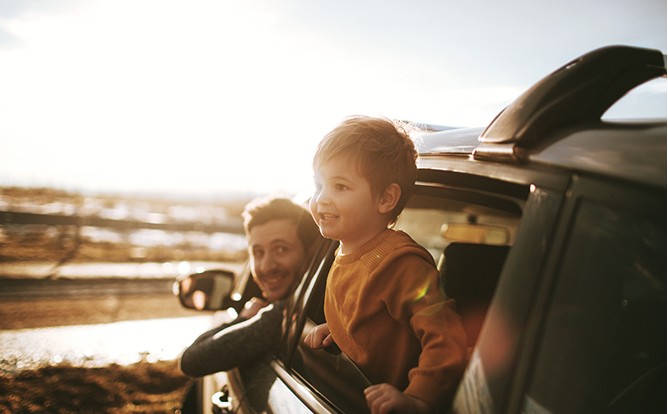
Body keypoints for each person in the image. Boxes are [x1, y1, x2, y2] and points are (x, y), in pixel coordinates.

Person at [304, 116, 468, 414]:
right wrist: (341, 329)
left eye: (340, 187)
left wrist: (418, 398)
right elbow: (372, 315)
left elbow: (447, 337)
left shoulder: (398, 263)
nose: (322, 199)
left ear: (386, 199)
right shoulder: (344, 250)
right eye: (319, 185)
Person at [179, 196, 322, 377]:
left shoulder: (284, 315)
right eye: (258, 252)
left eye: (281, 249)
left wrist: (245, 318)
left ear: (310, 253)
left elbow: (192, 361)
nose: (266, 266)